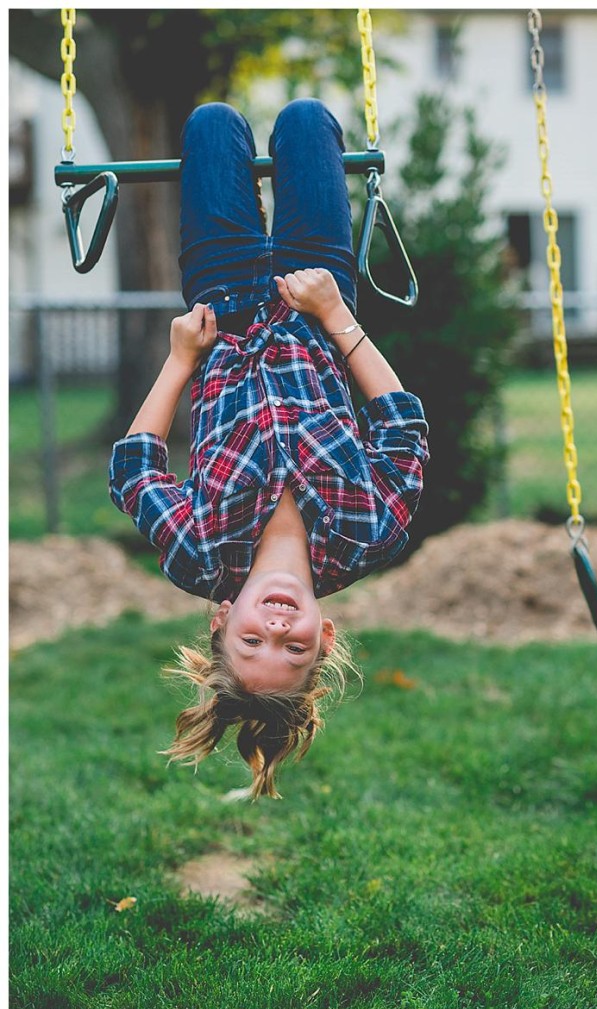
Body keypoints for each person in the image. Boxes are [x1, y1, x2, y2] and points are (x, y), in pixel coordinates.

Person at [109, 99, 429, 799]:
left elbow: (133, 471)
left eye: (253, 642)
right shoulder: (366, 537)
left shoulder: (199, 554)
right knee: (308, 121)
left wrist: (181, 361)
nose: (277, 628)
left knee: (210, 125)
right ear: (327, 635)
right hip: (316, 295)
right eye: (295, 647)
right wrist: (336, 313)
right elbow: (403, 427)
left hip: (222, 302)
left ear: (222, 620)